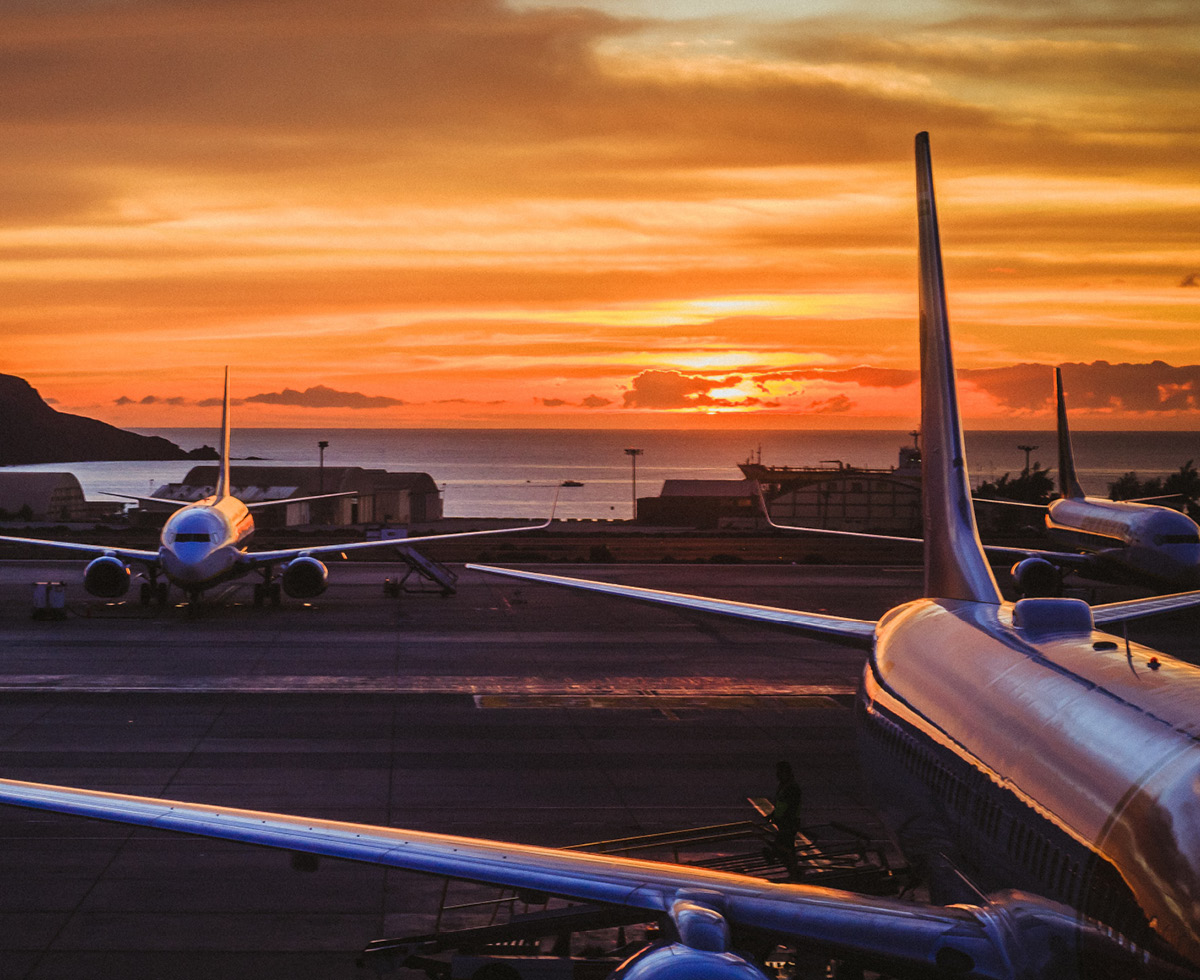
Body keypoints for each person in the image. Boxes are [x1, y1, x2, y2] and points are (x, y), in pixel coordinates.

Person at [769, 760, 802, 876]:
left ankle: (794, 869)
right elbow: (781, 804)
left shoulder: (791, 787)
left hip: (789, 822)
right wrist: (773, 814)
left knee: (783, 846)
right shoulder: (784, 785)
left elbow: (790, 806)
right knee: (787, 846)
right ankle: (793, 870)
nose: (777, 775)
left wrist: (783, 818)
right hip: (783, 822)